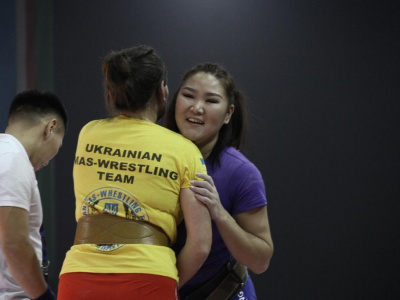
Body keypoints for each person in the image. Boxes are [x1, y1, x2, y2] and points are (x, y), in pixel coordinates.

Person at [58, 45, 212, 299]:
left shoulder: (88, 133)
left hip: (79, 275)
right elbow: (201, 244)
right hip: (150, 277)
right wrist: (167, 279)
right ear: (162, 91)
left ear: (112, 92)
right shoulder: (185, 151)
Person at [166, 63, 274, 300]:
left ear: (228, 114)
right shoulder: (152, 156)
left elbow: (260, 261)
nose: (196, 108)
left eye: (211, 101)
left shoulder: (241, 173)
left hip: (222, 292)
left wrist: (219, 213)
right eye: (188, 96)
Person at [0, 89, 68, 300]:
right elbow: (13, 243)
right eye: (59, 144)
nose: (48, 161)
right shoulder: (12, 158)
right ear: (50, 127)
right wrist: (44, 298)